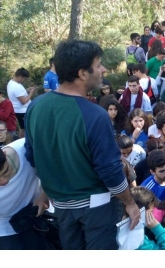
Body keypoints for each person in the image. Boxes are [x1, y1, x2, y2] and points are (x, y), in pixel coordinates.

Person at [24, 40, 140, 250]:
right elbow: (110, 170)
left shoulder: (36, 106)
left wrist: (47, 191)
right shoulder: (94, 115)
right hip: (96, 209)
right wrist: (130, 203)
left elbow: (33, 156)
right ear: (83, 74)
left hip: (61, 207)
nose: (103, 70)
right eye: (98, 65)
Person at [0, 138, 52, 249]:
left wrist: (44, 193)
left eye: (5, 171)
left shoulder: (26, 148)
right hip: (4, 228)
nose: (4, 182)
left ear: (4, 153)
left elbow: (53, 165)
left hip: (34, 217)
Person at [7, 68, 38, 138]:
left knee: (23, 127)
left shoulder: (13, 82)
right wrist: (31, 93)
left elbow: (19, 94)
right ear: (20, 77)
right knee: (23, 128)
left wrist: (27, 90)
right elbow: (24, 101)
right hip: (21, 111)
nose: (24, 81)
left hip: (21, 110)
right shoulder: (15, 87)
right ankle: (21, 140)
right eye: (24, 79)